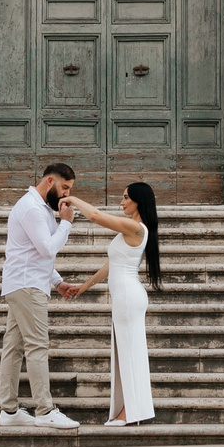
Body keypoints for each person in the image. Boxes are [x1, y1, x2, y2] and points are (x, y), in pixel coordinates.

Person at [64, 181, 161, 426]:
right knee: (127, 353)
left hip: (129, 297)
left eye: (126, 197)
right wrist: (84, 286)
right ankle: (132, 409)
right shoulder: (130, 230)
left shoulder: (135, 227)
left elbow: (95, 216)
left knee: (130, 354)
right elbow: (111, 266)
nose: (121, 202)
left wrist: (71, 199)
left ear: (138, 200)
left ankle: (131, 412)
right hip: (125, 296)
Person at [0, 161, 82, 428]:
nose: (67, 194)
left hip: (23, 282)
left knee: (14, 348)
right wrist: (66, 224)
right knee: (37, 347)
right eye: (65, 187)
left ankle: (9, 411)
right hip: (27, 286)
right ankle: (45, 410)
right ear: (50, 182)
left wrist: (56, 282)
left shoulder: (39, 208)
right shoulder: (33, 208)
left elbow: (35, 253)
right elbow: (47, 249)